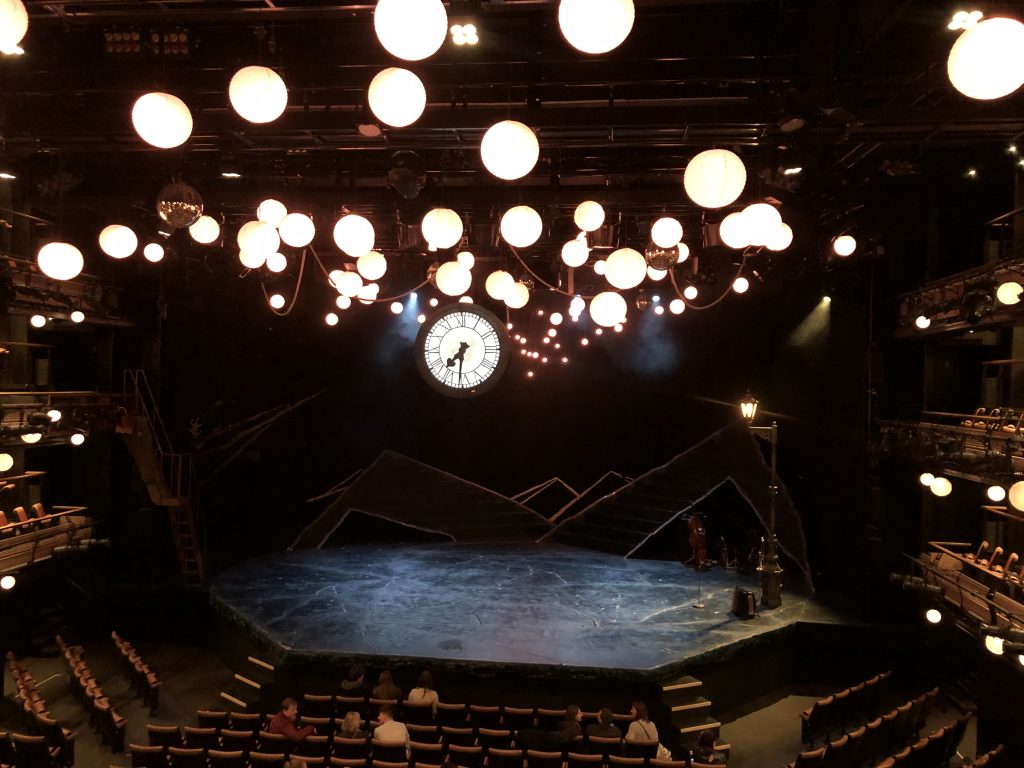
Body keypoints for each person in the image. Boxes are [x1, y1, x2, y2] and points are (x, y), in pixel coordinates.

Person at [268, 698, 316, 768]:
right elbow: (297, 736)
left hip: (277, 754)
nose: (296, 711)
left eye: (296, 709)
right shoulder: (284, 723)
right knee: (306, 755)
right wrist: (311, 728)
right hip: (282, 758)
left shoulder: (278, 716)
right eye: (293, 710)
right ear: (284, 710)